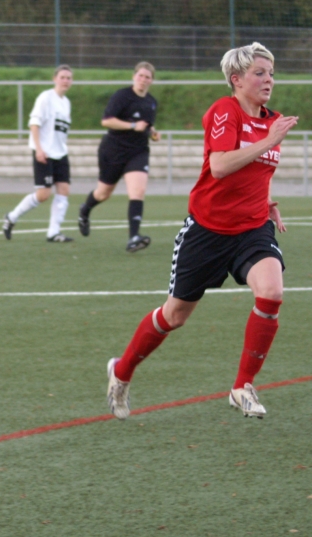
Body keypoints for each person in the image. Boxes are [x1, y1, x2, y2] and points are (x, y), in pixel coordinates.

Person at [105, 42, 297, 421]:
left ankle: (242, 386)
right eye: (259, 73)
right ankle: (121, 371)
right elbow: (222, 166)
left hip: (252, 228)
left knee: (272, 292)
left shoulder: (269, 120)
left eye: (271, 73)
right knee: (174, 316)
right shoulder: (225, 111)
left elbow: (257, 171)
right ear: (236, 79)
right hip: (207, 231)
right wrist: (269, 140)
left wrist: (267, 200)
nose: (268, 79)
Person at [78, 62, 161, 252]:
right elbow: (106, 121)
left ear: (152, 80)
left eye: (147, 77)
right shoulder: (122, 96)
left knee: (138, 191)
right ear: (134, 76)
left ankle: (134, 238)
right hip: (113, 150)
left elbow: (147, 126)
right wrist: (132, 126)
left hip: (138, 151)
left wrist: (153, 133)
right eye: (140, 75)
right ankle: (85, 209)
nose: (143, 79)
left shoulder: (151, 102)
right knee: (103, 193)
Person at [2, 65, 74, 243]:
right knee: (43, 195)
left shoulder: (67, 103)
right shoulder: (45, 97)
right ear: (54, 78)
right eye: (62, 77)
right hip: (45, 152)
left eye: (69, 78)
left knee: (64, 190)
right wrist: (39, 149)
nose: (65, 81)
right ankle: (11, 217)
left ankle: (53, 232)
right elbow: (34, 123)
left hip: (60, 153)